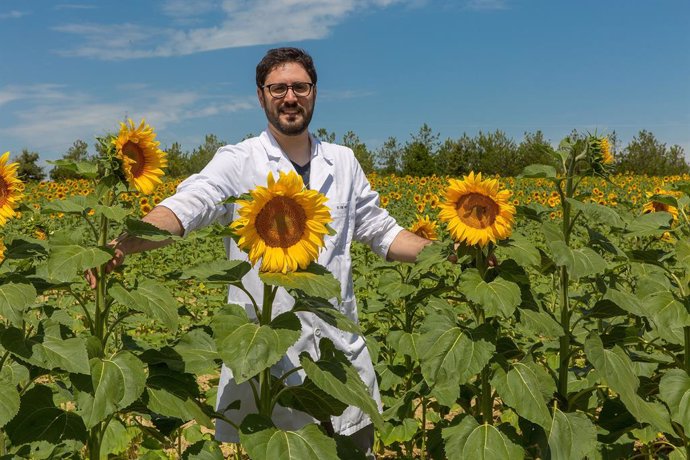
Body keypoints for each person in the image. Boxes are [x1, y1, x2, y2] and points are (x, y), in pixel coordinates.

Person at [92, 47, 431, 456]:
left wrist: (445, 253)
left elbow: (383, 232)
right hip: (271, 360)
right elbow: (189, 206)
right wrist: (127, 242)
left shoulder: (343, 162)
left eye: (300, 87)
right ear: (260, 96)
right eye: (278, 88)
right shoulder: (239, 161)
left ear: (315, 92)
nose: (290, 97)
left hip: (338, 358)